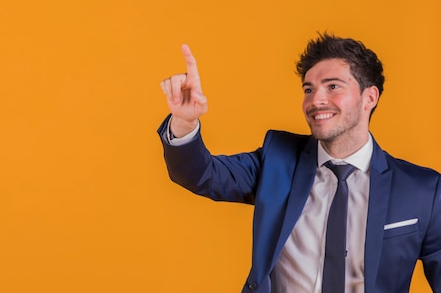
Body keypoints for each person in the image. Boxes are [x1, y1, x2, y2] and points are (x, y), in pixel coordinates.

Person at [158, 34, 441, 293]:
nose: (316, 100)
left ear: (369, 97)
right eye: (308, 89)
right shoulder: (276, 161)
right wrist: (184, 121)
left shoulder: (422, 191)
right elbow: (201, 174)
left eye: (332, 86)